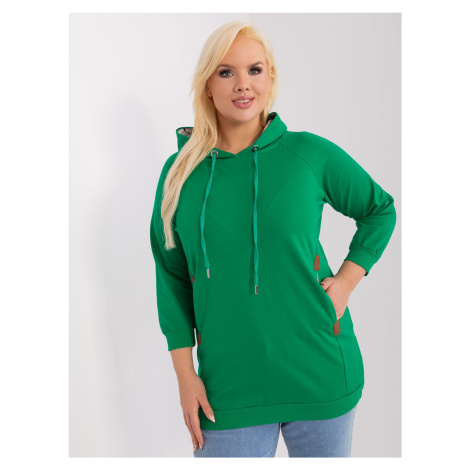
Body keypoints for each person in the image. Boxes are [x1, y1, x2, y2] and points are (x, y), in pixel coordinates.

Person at [149, 20, 396, 458]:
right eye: (226, 72)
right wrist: (185, 377)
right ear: (207, 85)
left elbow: (379, 209)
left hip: (320, 374)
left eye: (255, 70)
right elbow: (171, 278)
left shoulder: (309, 154)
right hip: (227, 389)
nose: (242, 84)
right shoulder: (179, 173)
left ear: (271, 79)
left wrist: (346, 281)